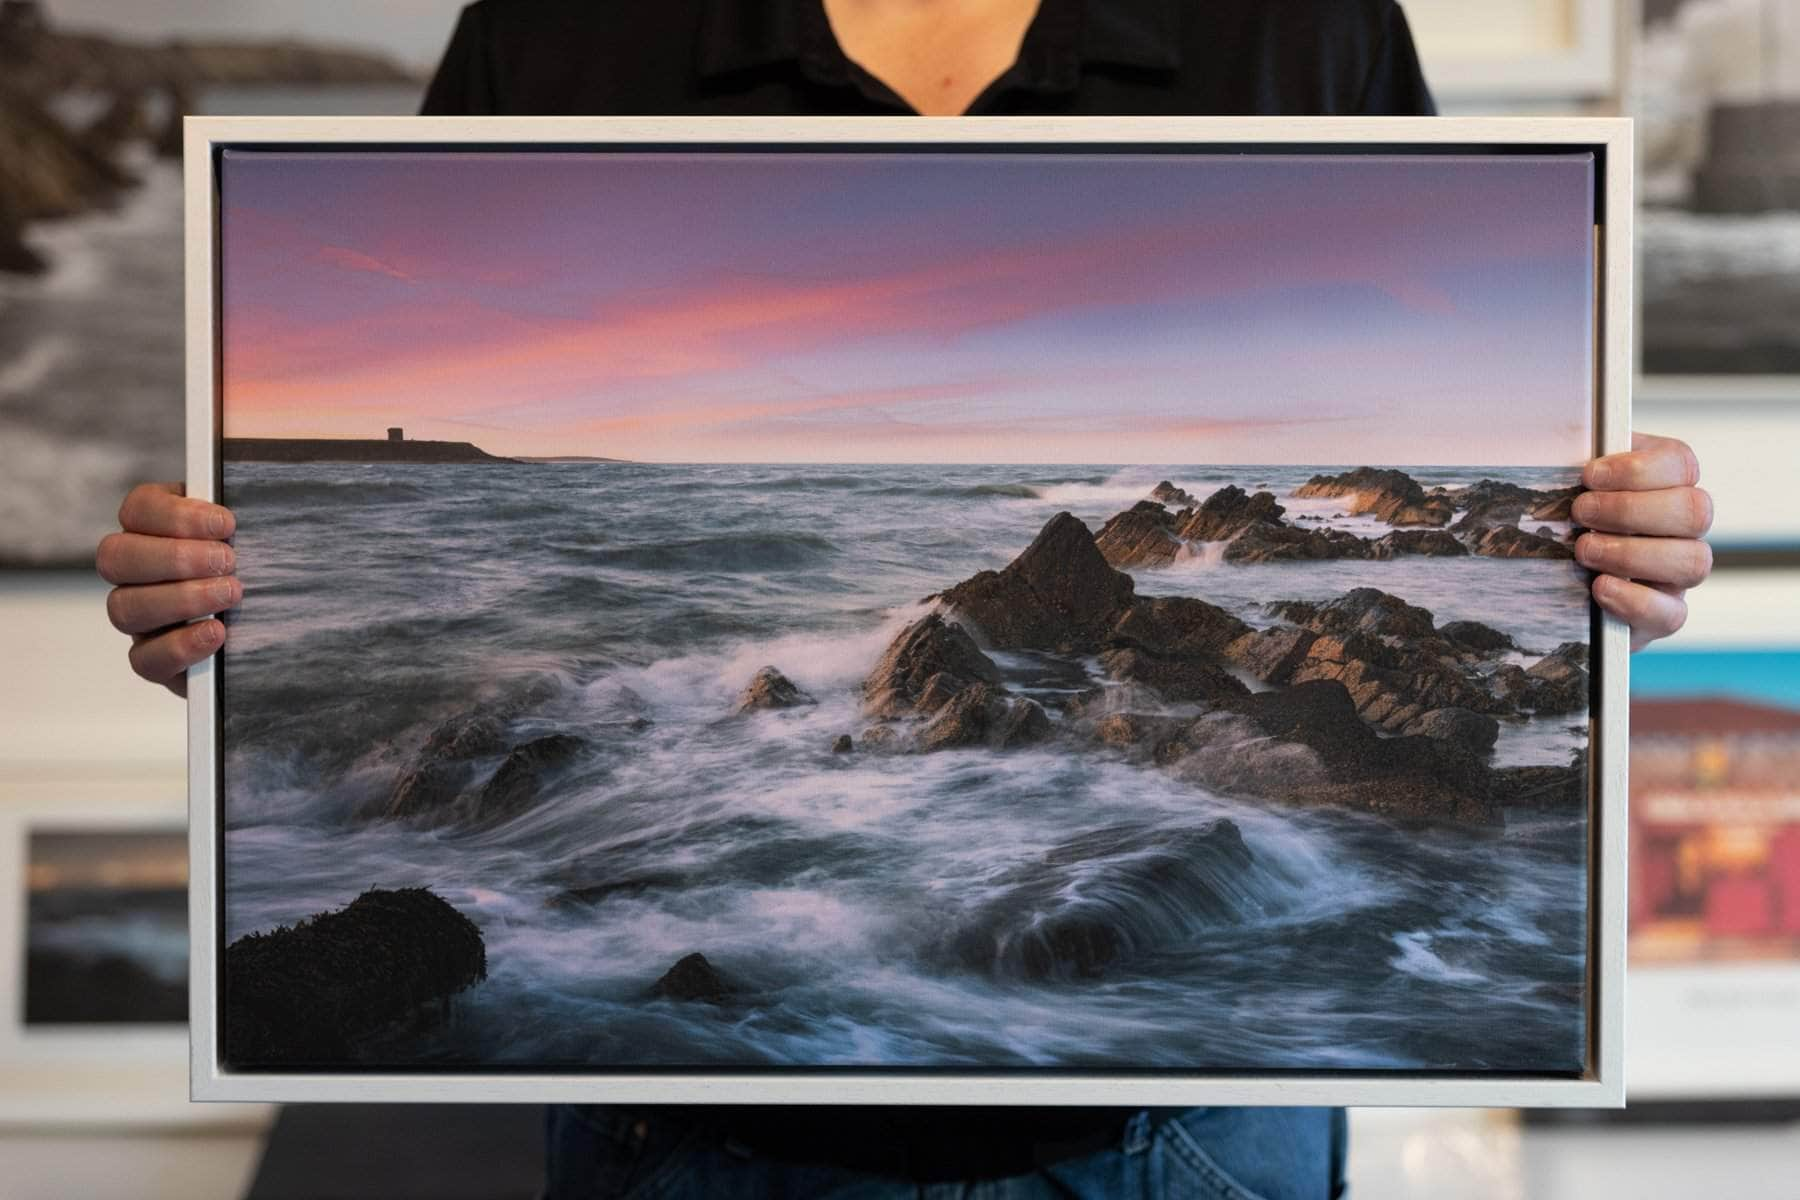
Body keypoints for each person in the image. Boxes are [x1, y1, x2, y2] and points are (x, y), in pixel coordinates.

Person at [96, 2, 1715, 1197]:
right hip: (690, 1150)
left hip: (1196, 1146)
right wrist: (234, 613)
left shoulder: (1306, 26)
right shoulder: (556, 29)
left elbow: (1549, 431)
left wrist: (1597, 565)